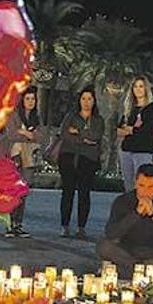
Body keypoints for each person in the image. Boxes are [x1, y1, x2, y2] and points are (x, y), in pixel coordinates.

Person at [97, 163, 153, 276]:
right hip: (127, 251)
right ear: (135, 183)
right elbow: (111, 233)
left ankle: (133, 270)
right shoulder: (122, 201)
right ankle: (148, 270)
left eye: (151, 187)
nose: (145, 191)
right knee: (104, 246)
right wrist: (136, 214)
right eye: (141, 185)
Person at [58, 87, 105, 239]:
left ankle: (81, 227)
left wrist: (78, 132)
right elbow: (64, 134)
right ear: (79, 100)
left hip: (88, 159)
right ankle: (65, 226)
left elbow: (96, 136)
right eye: (83, 98)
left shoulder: (98, 120)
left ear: (94, 101)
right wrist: (84, 139)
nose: (86, 102)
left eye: (89, 99)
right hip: (69, 157)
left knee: (84, 193)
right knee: (68, 192)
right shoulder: (71, 116)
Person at [0, 88, 45, 238]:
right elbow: (12, 134)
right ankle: (9, 224)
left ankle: (18, 224)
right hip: (14, 156)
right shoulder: (14, 115)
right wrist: (29, 135)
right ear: (22, 100)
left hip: (28, 158)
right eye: (28, 99)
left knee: (23, 192)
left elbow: (41, 136)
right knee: (13, 191)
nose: (30, 102)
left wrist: (24, 133)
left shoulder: (36, 117)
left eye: (33, 99)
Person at [117, 76, 153, 192]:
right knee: (129, 187)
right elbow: (119, 129)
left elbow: (147, 131)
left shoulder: (151, 108)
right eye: (135, 86)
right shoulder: (129, 109)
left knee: (142, 186)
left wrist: (130, 130)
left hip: (143, 151)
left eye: (141, 86)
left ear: (146, 88)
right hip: (126, 151)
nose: (138, 89)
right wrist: (132, 129)